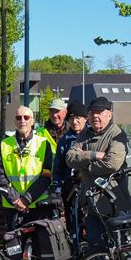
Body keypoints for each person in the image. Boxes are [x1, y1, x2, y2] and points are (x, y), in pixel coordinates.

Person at [66, 97, 130, 260]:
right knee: (94, 244)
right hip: (90, 201)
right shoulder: (84, 134)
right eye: (92, 113)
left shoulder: (117, 134)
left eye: (99, 113)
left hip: (112, 200)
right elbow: (69, 158)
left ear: (109, 114)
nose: (95, 116)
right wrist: (94, 155)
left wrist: (86, 167)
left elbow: (113, 163)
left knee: (119, 245)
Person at [0, 106, 53, 260]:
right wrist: (15, 200)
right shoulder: (5, 145)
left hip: (36, 204)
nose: (22, 120)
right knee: (13, 245)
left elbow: (46, 176)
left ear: (33, 120)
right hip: (12, 205)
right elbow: (0, 176)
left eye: (26, 117)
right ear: (15, 120)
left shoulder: (43, 144)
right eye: (18, 117)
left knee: (38, 243)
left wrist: (26, 199)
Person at [52, 101, 88, 240]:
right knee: (73, 223)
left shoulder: (92, 136)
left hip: (90, 186)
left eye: (78, 118)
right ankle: (76, 253)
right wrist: (57, 187)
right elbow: (58, 166)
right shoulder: (64, 140)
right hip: (71, 189)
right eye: (71, 118)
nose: (75, 121)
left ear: (85, 118)